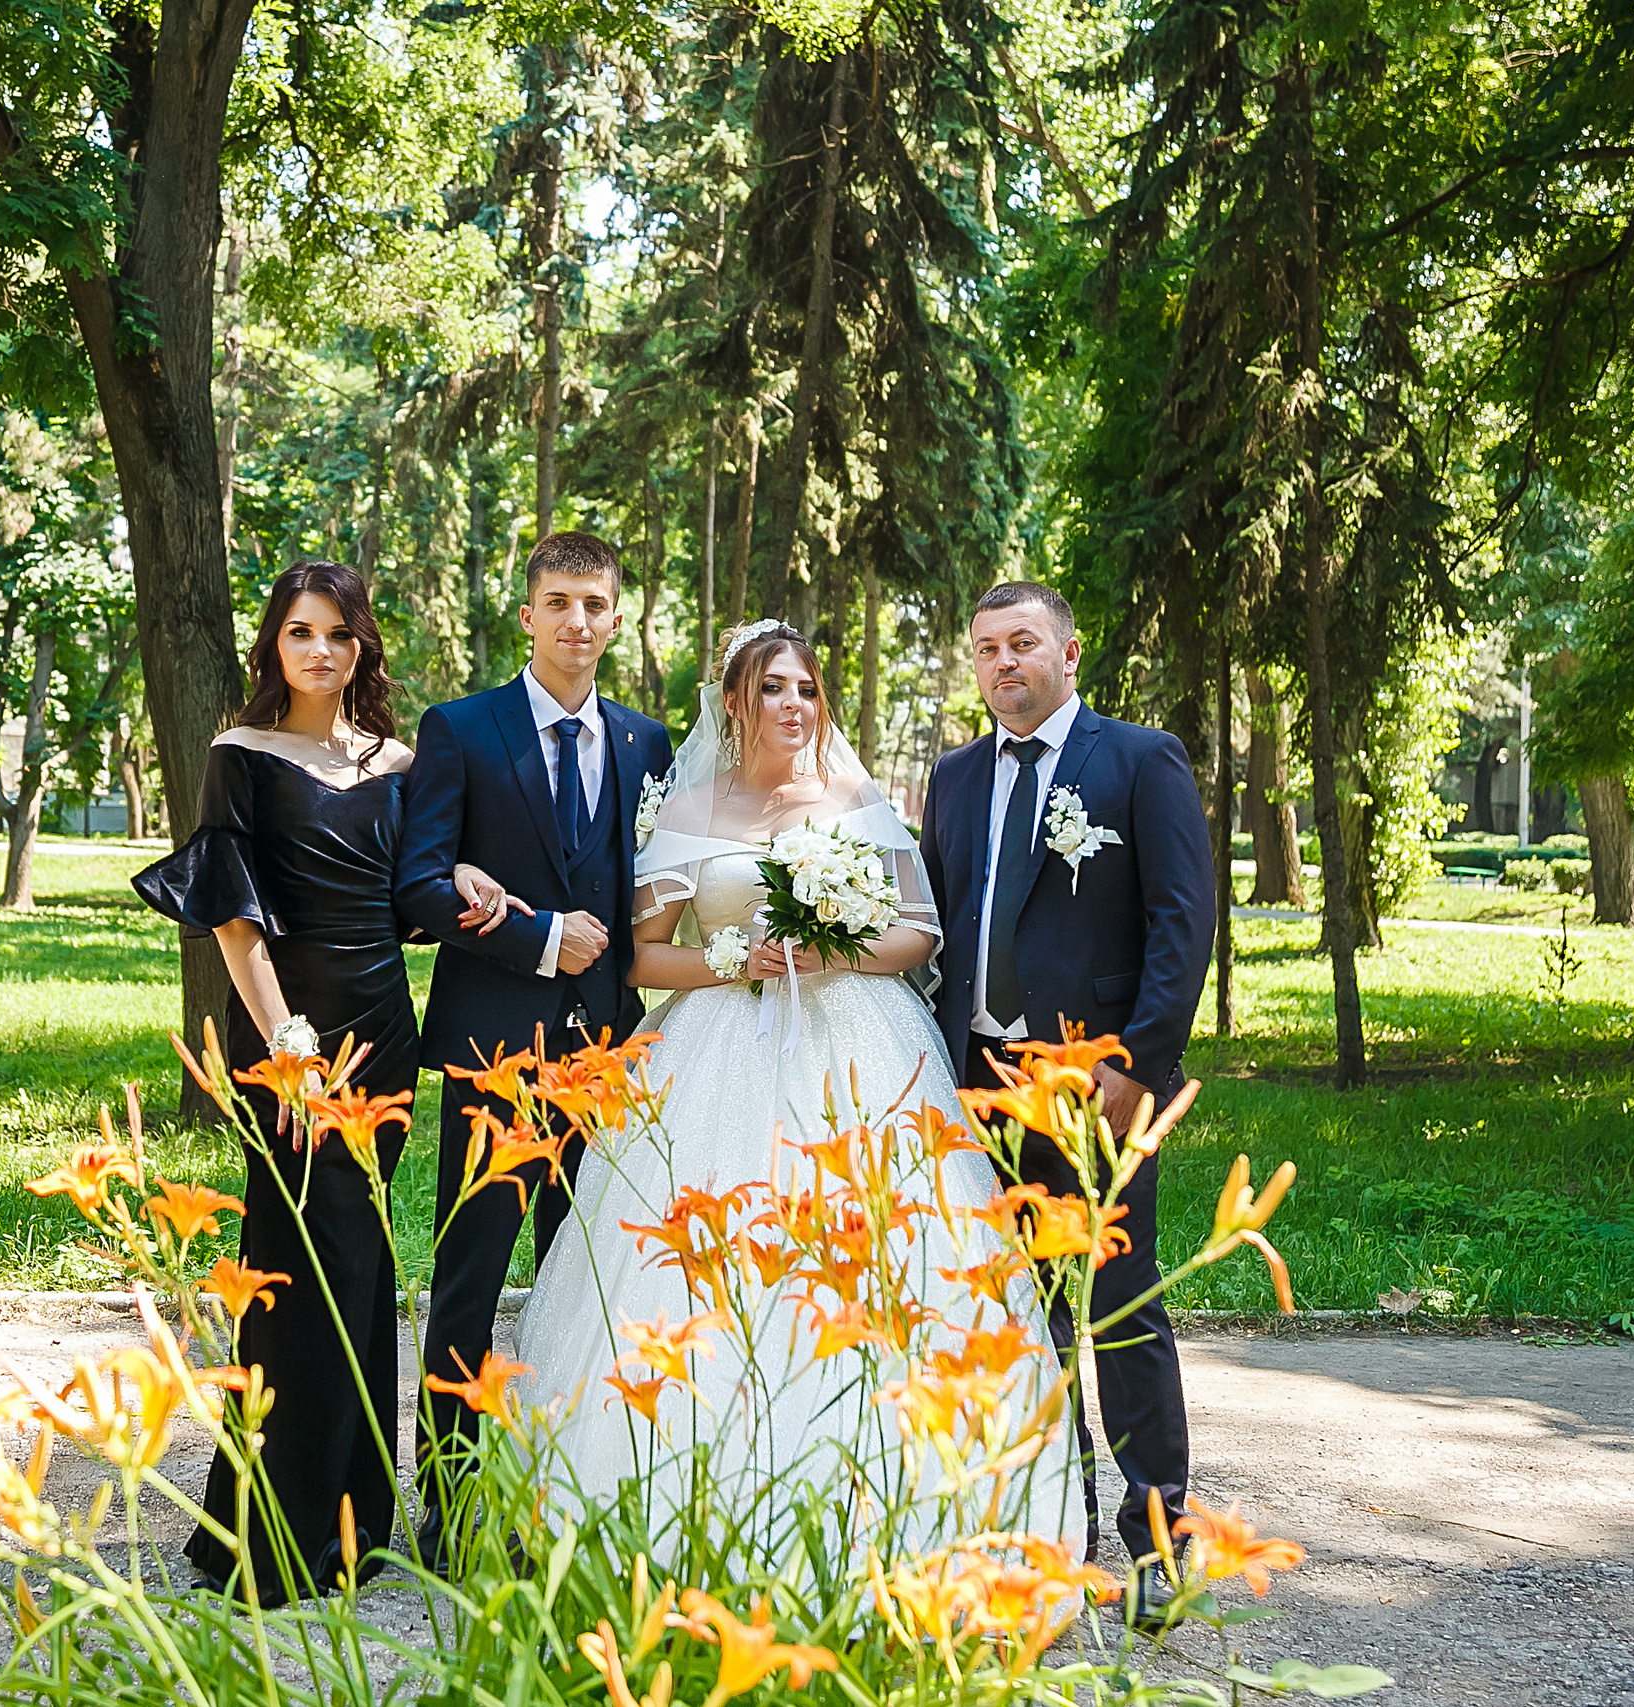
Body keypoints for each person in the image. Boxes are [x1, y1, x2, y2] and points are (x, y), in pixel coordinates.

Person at [505, 619, 1084, 1555]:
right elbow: (648, 959)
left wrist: (830, 950)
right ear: (735, 702)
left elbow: (919, 935)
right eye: (773, 688)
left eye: (806, 689)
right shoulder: (692, 809)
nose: (793, 706)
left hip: (857, 1047)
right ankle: (677, 1517)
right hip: (715, 1049)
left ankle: (906, 1516)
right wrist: (738, 960)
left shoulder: (856, 796)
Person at [130, 560, 419, 1604]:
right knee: (299, 1269)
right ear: (274, 645)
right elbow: (234, 922)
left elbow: (421, 886)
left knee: (365, 1271)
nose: (321, 650)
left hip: (387, 1035)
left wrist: (470, 878)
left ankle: (349, 1522)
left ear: (360, 648)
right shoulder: (240, 755)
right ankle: (271, 1537)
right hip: (291, 1038)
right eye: (301, 631)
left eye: (339, 634)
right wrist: (286, 1045)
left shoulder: (399, 761)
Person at [919, 580, 1215, 1579]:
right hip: (981, 1088)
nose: (1003, 664)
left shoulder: (1136, 760)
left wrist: (1137, 1064)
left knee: (1121, 1312)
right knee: (1017, 1319)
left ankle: (1156, 1551)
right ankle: (1053, 1534)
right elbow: (943, 922)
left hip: (1099, 1092)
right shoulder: (954, 777)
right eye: (986, 649)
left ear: (1068, 653)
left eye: (1022, 643)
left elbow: (1183, 922)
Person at [392, 531, 673, 1564]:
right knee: (468, 1278)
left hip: (605, 1059)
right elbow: (419, 890)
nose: (576, 622)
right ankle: (450, 1505)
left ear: (616, 616)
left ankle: (564, 1496)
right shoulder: (462, 731)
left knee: (584, 1285)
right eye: (557, 601)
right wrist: (539, 939)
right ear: (527, 613)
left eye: (595, 604)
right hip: (490, 1051)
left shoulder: (649, 744)